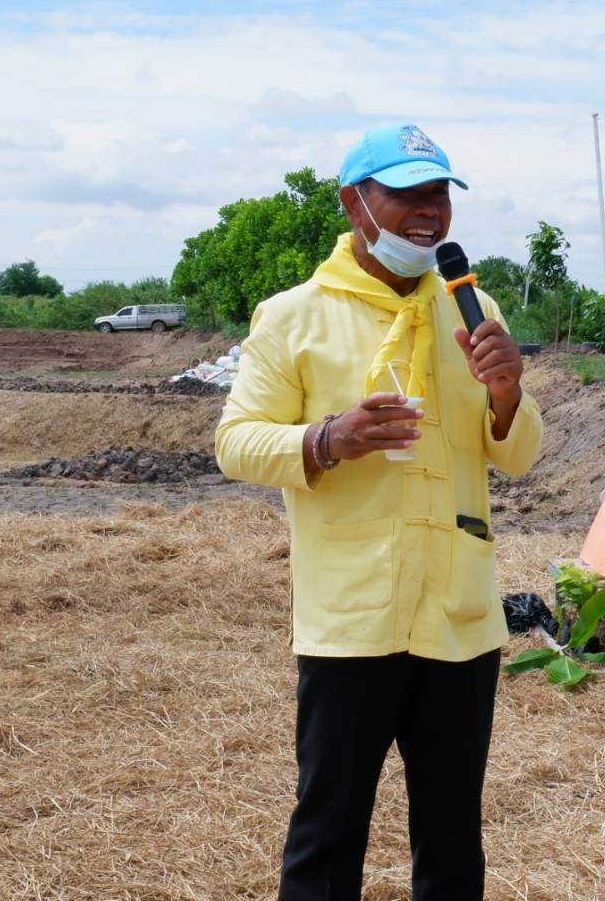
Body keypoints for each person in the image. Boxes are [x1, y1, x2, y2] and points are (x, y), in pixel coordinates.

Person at [215, 123, 543, 901]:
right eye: (407, 194)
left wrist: (506, 395)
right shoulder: (294, 315)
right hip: (351, 620)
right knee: (328, 831)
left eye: (440, 194)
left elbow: (518, 454)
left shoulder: (474, 306)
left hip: (458, 617)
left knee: (453, 834)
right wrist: (331, 438)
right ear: (355, 202)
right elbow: (235, 443)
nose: (428, 212)